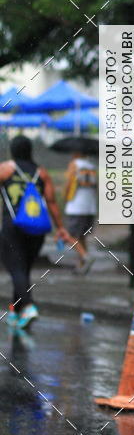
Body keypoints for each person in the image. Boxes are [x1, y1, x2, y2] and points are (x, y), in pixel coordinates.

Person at [0, 135, 73, 329]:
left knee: (16, 269)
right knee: (22, 270)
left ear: (13, 151)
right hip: (37, 229)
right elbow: (51, 203)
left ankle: (29, 306)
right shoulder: (42, 173)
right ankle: (15, 311)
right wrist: (61, 229)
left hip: (12, 227)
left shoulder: (6, 169)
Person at [63, 144, 98, 274]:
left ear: (77, 152)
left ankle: (86, 257)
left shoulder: (74, 164)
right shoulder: (92, 166)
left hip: (76, 206)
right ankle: (81, 265)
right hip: (90, 206)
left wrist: (65, 197)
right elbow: (96, 187)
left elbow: (68, 184)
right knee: (81, 237)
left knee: (70, 235)